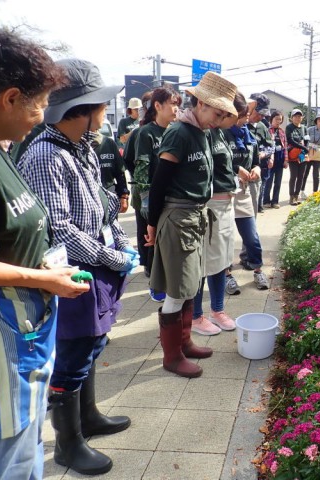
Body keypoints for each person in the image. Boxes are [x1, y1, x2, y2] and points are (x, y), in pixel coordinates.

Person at [18, 58, 138, 476]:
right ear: (80, 111)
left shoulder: (82, 147)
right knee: (72, 355)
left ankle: (88, 418)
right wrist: (113, 257)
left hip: (95, 265)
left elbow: (103, 210)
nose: (106, 114)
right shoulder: (45, 155)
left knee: (92, 343)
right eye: (100, 107)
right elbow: (62, 230)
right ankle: (68, 444)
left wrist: (121, 242)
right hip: (70, 272)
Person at [0, 28, 91, 480]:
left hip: (26, 326)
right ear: (9, 98)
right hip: (5, 334)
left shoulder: (3, 149)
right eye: (38, 103)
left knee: (26, 439)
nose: (41, 115)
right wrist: (41, 280)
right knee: (11, 449)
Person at [144, 72, 237, 378]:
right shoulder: (179, 133)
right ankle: (171, 356)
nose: (219, 118)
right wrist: (153, 224)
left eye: (224, 114)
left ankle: (184, 343)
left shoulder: (203, 133)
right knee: (176, 289)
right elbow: (159, 183)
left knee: (191, 284)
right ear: (199, 103)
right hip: (177, 217)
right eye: (216, 112)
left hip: (196, 216)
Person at [191, 108, 243, 334]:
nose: (237, 121)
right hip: (209, 206)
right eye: (235, 116)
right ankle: (195, 316)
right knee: (203, 263)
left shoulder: (221, 133)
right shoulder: (202, 132)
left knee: (222, 261)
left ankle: (217, 310)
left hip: (225, 205)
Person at [133, 87, 181, 302]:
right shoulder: (146, 133)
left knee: (165, 240)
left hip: (169, 195)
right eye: (172, 103)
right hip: (150, 195)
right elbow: (141, 164)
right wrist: (145, 196)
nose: (176, 108)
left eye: (178, 104)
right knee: (150, 240)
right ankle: (154, 282)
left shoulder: (175, 130)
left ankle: (167, 279)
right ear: (158, 106)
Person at [223, 92, 271, 294]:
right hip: (224, 192)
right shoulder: (221, 133)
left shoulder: (248, 133)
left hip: (244, 191)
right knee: (225, 237)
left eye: (245, 116)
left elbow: (254, 159)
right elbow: (218, 161)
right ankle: (226, 275)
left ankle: (257, 268)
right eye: (242, 116)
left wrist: (256, 168)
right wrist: (236, 170)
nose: (245, 120)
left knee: (251, 236)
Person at [122, 90, 153, 276]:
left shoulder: (168, 130)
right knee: (143, 229)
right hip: (141, 192)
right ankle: (148, 264)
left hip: (160, 193)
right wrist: (139, 178)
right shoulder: (138, 133)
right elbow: (126, 159)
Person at [247, 93, 273, 214]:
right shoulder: (238, 124)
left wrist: (263, 153)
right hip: (238, 175)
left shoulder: (262, 126)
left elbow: (270, 146)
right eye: (259, 113)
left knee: (252, 209)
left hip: (256, 172)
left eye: (264, 114)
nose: (261, 117)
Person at [92, 130, 129, 213]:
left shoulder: (108, 143)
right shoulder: (75, 145)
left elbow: (120, 172)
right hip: (88, 200)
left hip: (109, 196)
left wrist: (124, 196)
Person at [301, 112, 320, 197]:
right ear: (316, 121)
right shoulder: (309, 129)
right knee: (304, 172)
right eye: (319, 119)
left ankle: (315, 192)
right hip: (307, 153)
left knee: (316, 174)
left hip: (318, 155)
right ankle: (301, 191)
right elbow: (304, 141)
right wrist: (304, 153)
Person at [263, 110, 288, 208]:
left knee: (278, 182)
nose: (278, 121)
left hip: (280, 159)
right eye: (276, 119)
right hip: (270, 158)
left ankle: (275, 201)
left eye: (280, 119)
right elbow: (265, 145)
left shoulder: (282, 131)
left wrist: (286, 160)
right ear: (271, 119)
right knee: (268, 181)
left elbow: (285, 146)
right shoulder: (267, 130)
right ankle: (266, 201)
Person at [285, 108, 310, 205]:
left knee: (301, 176)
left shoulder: (304, 128)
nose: (297, 118)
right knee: (293, 176)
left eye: (299, 116)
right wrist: (302, 147)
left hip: (303, 155)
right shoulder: (289, 127)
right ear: (292, 118)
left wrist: (306, 148)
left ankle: (296, 196)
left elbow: (307, 140)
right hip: (293, 154)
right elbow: (290, 140)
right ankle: (291, 197)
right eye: (295, 116)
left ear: (302, 118)